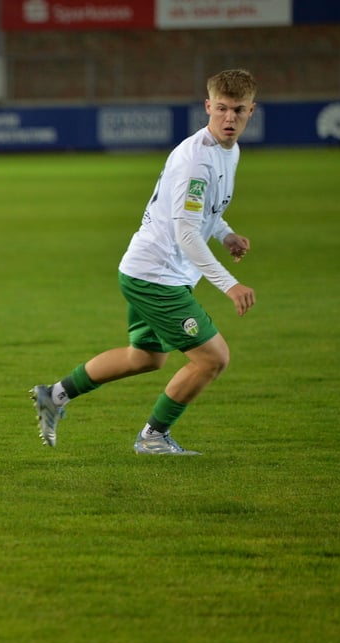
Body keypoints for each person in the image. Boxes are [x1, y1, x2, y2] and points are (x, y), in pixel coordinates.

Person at [30, 68, 258, 456]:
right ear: (207, 106)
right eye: (221, 109)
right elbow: (187, 233)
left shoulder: (228, 151)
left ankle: (54, 394)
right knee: (212, 358)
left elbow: (204, 214)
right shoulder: (195, 161)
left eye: (238, 110)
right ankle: (153, 437)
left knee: (146, 358)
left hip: (155, 271)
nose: (229, 119)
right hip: (156, 276)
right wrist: (229, 284)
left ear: (252, 110)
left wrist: (224, 234)